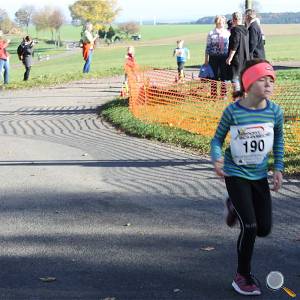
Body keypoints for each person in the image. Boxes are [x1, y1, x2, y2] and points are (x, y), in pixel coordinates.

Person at [211, 59, 284, 296]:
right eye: (262, 79)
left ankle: (233, 205)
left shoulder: (275, 111)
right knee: (250, 227)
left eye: (271, 79)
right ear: (249, 84)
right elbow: (216, 140)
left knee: (263, 228)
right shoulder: (233, 111)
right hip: (236, 173)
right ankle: (242, 276)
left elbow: (280, 141)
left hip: (259, 175)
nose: (268, 84)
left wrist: (279, 168)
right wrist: (217, 158)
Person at [204, 15, 230, 97]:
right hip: (213, 57)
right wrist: (206, 59)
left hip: (224, 57)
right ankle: (214, 94)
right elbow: (208, 47)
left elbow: (230, 46)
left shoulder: (227, 33)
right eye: (220, 22)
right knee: (213, 76)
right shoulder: (211, 33)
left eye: (223, 22)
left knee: (223, 75)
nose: (221, 23)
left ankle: (223, 94)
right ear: (216, 22)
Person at [226, 12, 250, 92]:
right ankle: (243, 96)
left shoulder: (235, 30)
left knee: (234, 78)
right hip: (245, 58)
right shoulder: (245, 30)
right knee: (242, 78)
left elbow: (234, 45)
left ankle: (237, 98)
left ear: (234, 19)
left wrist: (230, 58)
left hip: (237, 58)